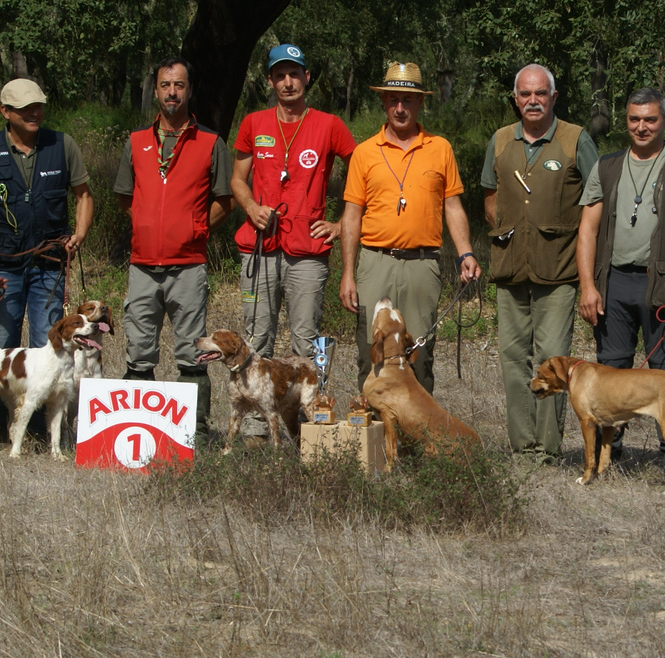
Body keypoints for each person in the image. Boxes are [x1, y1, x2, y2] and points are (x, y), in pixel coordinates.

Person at [576, 86, 665, 469]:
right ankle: (609, 454)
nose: (642, 127)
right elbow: (587, 229)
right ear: (626, 122)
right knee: (611, 368)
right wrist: (588, 286)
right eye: (634, 119)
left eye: (650, 119)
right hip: (613, 283)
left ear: (664, 121)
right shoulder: (606, 166)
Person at [230, 43, 355, 439]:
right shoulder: (253, 123)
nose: (288, 82)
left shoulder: (329, 124)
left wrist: (340, 223)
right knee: (256, 337)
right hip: (260, 247)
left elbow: (365, 172)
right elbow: (236, 179)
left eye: (295, 73)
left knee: (306, 337)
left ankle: (312, 419)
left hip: (307, 251)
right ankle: (255, 425)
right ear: (270, 80)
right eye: (280, 75)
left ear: (307, 78)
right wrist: (250, 206)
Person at [339, 62, 480, 394]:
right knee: (372, 352)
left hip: (423, 264)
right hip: (375, 262)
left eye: (408, 100)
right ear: (384, 102)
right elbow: (351, 216)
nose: (400, 108)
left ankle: (417, 438)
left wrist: (466, 253)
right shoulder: (364, 153)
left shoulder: (440, 148)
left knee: (419, 352)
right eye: (393, 99)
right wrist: (348, 272)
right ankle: (374, 435)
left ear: (420, 103)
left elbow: (453, 206)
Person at [481, 63, 598, 461]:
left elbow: (595, 200)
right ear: (515, 99)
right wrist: (505, 227)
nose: (533, 101)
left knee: (553, 361)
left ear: (553, 97)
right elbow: (489, 194)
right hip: (511, 270)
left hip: (559, 271)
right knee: (513, 359)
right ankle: (522, 445)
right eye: (525, 94)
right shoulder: (500, 140)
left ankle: (547, 448)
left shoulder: (574, 139)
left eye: (541, 93)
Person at [113, 57, 234, 436]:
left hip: (188, 266)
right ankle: (135, 428)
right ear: (156, 89)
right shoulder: (135, 142)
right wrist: (148, 223)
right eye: (165, 85)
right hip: (143, 265)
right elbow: (123, 196)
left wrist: (196, 227)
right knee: (138, 351)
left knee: (193, 352)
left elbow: (225, 200)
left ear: (189, 90)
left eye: (179, 85)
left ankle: (192, 430)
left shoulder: (211, 142)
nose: (172, 92)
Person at [0, 78, 93, 352]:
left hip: (49, 265)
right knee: (4, 349)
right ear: (5, 111)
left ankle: (42, 397)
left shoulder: (62, 145)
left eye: (38, 107)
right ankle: (4, 397)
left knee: (47, 348)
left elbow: (84, 196)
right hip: (5, 267)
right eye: (25, 109)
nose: (34, 113)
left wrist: (79, 235)